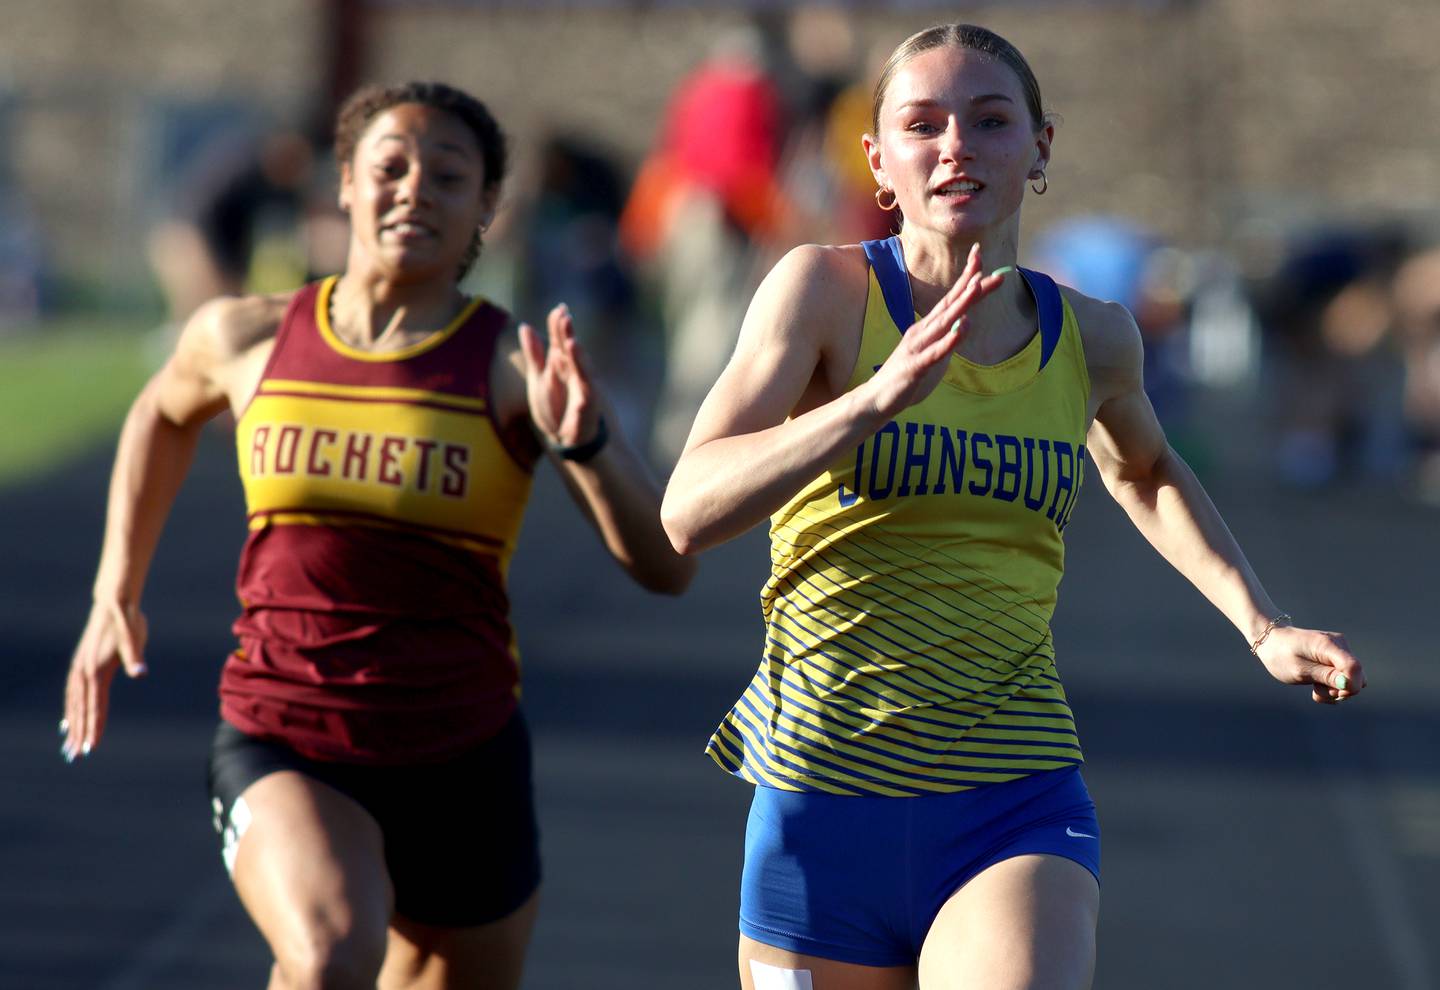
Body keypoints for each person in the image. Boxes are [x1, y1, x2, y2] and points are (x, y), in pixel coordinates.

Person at [660, 24, 1366, 990]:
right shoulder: (822, 294)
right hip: (821, 799)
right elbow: (689, 509)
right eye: (923, 124)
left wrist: (1262, 625)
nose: (956, 145)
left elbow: (1146, 470)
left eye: (991, 121)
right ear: (879, 160)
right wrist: (868, 405)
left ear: (1039, 148)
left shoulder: (1095, 338)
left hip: (1011, 794)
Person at [62, 80, 694, 990]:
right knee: (327, 955)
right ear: (345, 185)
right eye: (390, 166)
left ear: (485, 209)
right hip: (287, 734)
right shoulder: (245, 336)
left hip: (462, 759)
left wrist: (584, 440)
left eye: (448, 176)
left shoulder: (516, 366)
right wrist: (113, 592)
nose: (414, 191)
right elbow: (160, 414)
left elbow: (667, 568)